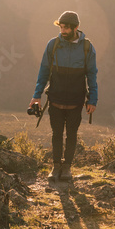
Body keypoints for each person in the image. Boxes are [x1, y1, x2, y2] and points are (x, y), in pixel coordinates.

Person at [29, 11, 98, 181]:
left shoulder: (87, 47)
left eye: (66, 27)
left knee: (72, 134)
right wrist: (36, 95)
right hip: (55, 98)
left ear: (76, 28)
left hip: (76, 100)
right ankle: (55, 167)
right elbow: (43, 71)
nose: (63, 30)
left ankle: (67, 168)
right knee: (56, 134)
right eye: (61, 26)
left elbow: (92, 75)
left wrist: (93, 99)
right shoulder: (52, 45)